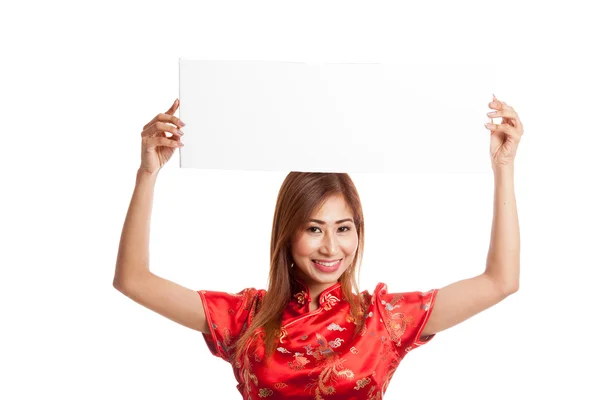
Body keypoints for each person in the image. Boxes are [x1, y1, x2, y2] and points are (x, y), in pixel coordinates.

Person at [113, 96, 523, 399]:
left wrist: (503, 169)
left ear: (358, 232)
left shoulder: (383, 320)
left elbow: (500, 281)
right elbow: (133, 280)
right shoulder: (244, 319)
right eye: (313, 229)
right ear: (287, 234)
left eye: (343, 228)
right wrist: (147, 174)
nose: (331, 247)